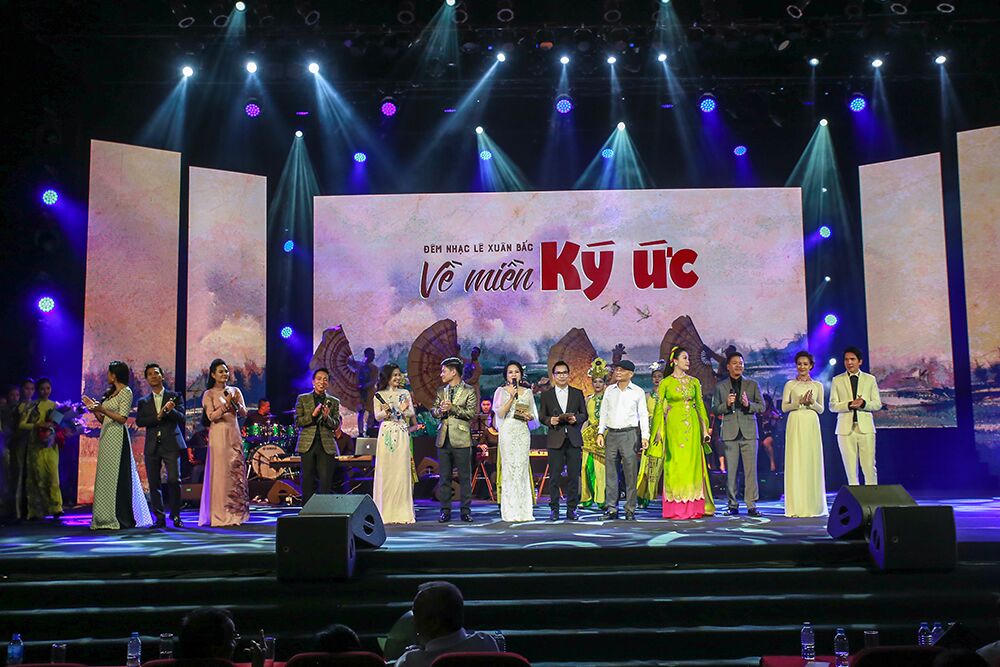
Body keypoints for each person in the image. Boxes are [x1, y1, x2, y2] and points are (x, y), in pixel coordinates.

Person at [85, 362, 153, 530]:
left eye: (109, 373)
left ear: (114, 375)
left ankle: (120, 516)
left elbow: (122, 418)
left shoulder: (126, 392)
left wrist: (102, 409)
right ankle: (103, 517)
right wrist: (94, 409)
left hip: (117, 437)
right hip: (106, 436)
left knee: (118, 476)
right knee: (105, 476)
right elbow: (104, 420)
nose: (107, 376)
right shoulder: (110, 393)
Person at [653, 347, 715, 519]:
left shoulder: (694, 382)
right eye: (684, 358)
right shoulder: (665, 383)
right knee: (674, 464)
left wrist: (704, 429)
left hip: (692, 426)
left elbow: (700, 406)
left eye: (688, 358)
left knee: (692, 464)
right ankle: (675, 508)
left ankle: (693, 507)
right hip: (673, 427)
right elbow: (659, 409)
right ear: (674, 361)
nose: (688, 361)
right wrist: (658, 431)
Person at [396, 581, 500, 667]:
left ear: (434, 623)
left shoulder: (409, 662)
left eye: (416, 614)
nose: (413, 621)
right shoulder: (486, 644)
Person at [711, 351, 765, 517]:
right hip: (730, 432)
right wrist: (727, 404)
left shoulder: (752, 385)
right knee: (731, 471)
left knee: (750, 471)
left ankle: (751, 505)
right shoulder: (721, 387)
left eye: (741, 363)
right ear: (728, 366)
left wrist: (749, 405)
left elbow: (762, 406)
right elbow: (715, 408)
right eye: (735, 363)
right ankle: (732, 504)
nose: (738, 366)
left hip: (749, 432)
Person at [199, 359, 250, 526]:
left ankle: (236, 514)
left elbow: (244, 413)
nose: (225, 374)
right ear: (213, 374)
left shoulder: (235, 391)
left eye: (226, 371)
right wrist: (225, 406)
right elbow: (211, 417)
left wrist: (236, 405)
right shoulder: (209, 394)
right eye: (221, 371)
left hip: (233, 433)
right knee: (221, 473)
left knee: (235, 472)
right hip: (219, 435)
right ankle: (220, 515)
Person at [135, 363, 186, 528]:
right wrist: (157, 417)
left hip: (171, 443)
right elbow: (139, 421)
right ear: (147, 379)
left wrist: (169, 411)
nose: (153, 376)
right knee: (154, 482)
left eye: (156, 373)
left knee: (174, 479)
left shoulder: (174, 396)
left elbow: (182, 417)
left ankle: (176, 515)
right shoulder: (143, 401)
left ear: (162, 376)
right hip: (152, 445)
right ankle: (159, 518)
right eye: (149, 374)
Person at [597, 360, 649, 521]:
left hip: (629, 434)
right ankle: (611, 508)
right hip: (612, 434)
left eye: (622, 370)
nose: (618, 372)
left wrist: (645, 436)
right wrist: (600, 432)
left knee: (630, 473)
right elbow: (604, 412)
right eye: (616, 369)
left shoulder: (638, 392)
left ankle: (630, 508)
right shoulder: (609, 390)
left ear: (630, 374)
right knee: (611, 473)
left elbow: (643, 415)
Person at [537, 360, 587, 521]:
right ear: (553, 375)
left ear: (568, 374)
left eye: (564, 372)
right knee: (554, 477)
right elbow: (542, 416)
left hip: (573, 439)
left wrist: (576, 419)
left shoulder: (577, 393)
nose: (562, 376)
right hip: (555, 439)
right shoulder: (547, 395)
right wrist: (549, 420)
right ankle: (554, 509)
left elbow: (584, 414)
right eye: (558, 373)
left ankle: (572, 509)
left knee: (573, 476)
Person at [781, 351, 827, 517]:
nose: (802, 367)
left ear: (811, 366)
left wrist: (812, 402)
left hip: (811, 422)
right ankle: (796, 506)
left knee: (811, 460)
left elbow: (821, 409)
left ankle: (813, 506)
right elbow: (784, 407)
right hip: (795, 421)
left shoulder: (818, 385)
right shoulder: (790, 384)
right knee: (796, 459)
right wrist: (798, 402)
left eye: (805, 364)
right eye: (799, 364)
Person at [432, 357, 478, 523]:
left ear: (453, 372)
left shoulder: (469, 390)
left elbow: (470, 413)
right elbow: (433, 411)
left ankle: (465, 511)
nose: (441, 374)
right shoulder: (441, 391)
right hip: (443, 438)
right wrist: (440, 410)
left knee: (465, 477)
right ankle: (445, 511)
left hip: (461, 438)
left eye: (444, 371)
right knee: (444, 477)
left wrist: (453, 408)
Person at [830, 346, 882, 485]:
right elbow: (832, 405)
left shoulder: (870, 379)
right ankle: (854, 497)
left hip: (865, 428)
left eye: (852, 359)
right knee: (850, 469)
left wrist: (863, 404)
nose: (849, 362)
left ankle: (872, 495)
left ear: (860, 361)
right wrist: (848, 405)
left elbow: (877, 404)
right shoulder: (837, 380)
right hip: (845, 429)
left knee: (869, 467)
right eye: (846, 359)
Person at [493, 361, 538, 523]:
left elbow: (533, 415)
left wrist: (528, 416)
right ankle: (510, 510)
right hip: (507, 431)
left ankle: (524, 510)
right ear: (506, 375)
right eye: (510, 372)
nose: (514, 374)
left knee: (521, 468)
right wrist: (511, 397)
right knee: (510, 469)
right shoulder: (500, 391)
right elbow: (500, 414)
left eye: (516, 372)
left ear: (521, 374)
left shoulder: (528, 392)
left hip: (522, 431)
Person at [373, 363, 416, 525]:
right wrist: (387, 411)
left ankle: (402, 512)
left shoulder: (405, 393)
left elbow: (411, 412)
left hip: (402, 430)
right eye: (395, 375)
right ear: (387, 377)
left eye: (399, 374)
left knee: (401, 470)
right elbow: (377, 416)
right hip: (386, 432)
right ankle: (384, 512)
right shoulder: (379, 395)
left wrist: (401, 408)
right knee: (386, 470)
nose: (398, 377)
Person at [294, 367, 342, 505]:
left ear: (328, 383)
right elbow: (298, 422)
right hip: (307, 444)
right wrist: (313, 415)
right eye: (319, 379)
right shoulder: (303, 399)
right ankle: (307, 510)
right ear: (313, 382)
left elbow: (336, 424)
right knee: (307, 479)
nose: (322, 382)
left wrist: (326, 417)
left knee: (325, 480)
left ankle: (324, 510)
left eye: (325, 379)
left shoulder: (333, 401)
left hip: (326, 444)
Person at [20, 377, 63, 520]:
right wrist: (38, 425)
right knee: (37, 477)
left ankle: (56, 508)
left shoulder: (56, 406)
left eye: (48, 388)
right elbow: (21, 425)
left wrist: (54, 430)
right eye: (42, 389)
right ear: (38, 390)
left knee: (53, 476)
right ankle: (36, 511)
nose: (45, 391)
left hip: (50, 446)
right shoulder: (32, 405)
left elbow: (59, 425)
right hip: (36, 446)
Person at [637, 361, 667, 510]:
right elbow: (642, 415)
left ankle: (654, 495)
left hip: (662, 433)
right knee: (645, 465)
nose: (657, 379)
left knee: (657, 465)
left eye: (660, 376)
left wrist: (660, 430)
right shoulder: (647, 396)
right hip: (648, 432)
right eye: (655, 376)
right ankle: (642, 495)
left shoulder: (666, 397)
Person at [580, 359, 609, 510]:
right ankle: (586, 498)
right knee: (585, 466)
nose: (597, 384)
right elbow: (585, 418)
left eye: (600, 381)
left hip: (604, 436)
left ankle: (601, 499)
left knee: (601, 468)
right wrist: (582, 433)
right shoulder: (588, 399)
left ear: (605, 383)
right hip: (588, 436)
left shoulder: (609, 399)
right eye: (595, 381)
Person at [8, 379, 34, 520]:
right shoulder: (18, 407)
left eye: (31, 389)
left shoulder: (38, 405)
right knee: (18, 477)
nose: (29, 391)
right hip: (19, 444)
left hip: (36, 445)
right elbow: (16, 426)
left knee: (33, 477)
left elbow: (55, 419)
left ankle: (33, 511)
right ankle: (17, 512)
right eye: (26, 388)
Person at [356, 348, 378, 436]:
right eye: (371, 354)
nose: (373, 356)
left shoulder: (374, 368)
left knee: (372, 412)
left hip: (370, 393)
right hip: (360, 393)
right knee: (361, 412)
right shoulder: (360, 366)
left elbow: (374, 380)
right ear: (366, 355)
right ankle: (360, 432)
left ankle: (369, 429)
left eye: (373, 354)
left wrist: (365, 386)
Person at [759, 394, 782, 472]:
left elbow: (778, 418)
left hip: (771, 434)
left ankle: (772, 463)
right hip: (761, 433)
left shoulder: (772, 411)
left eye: (766, 401)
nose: (765, 403)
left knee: (766, 443)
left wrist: (774, 417)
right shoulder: (759, 411)